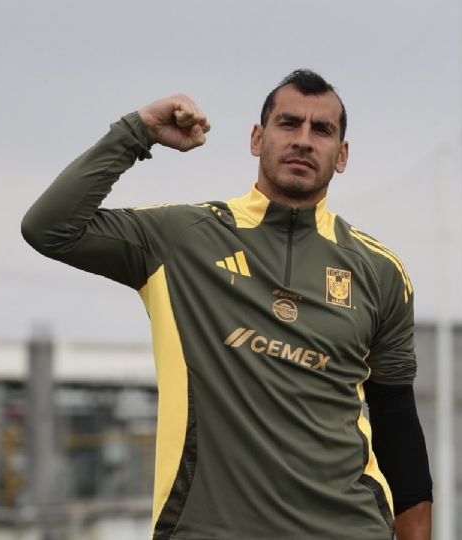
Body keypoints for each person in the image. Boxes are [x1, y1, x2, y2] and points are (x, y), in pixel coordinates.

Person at [22, 69, 433, 540]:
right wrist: (137, 132)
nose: (303, 139)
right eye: (288, 123)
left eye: (322, 130)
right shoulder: (182, 238)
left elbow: (396, 420)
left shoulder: (379, 270)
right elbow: (50, 228)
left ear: (342, 156)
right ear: (257, 139)